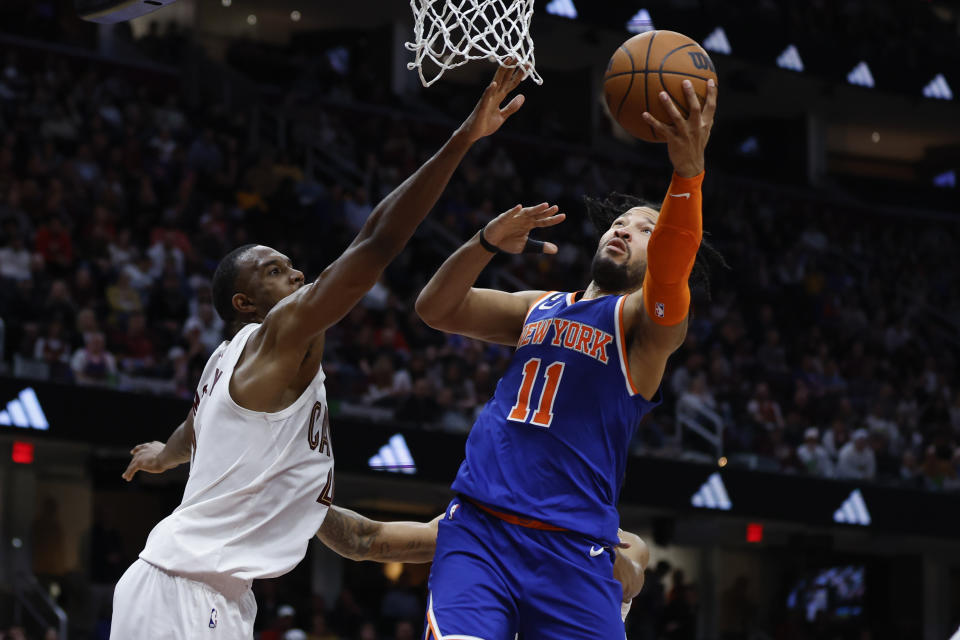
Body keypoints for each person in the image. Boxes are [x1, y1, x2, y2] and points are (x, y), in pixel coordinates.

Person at [110, 64, 529, 639]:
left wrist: (164, 455)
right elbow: (377, 241)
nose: (298, 274)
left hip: (202, 592)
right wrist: (464, 138)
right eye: (277, 271)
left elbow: (359, 540)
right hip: (185, 592)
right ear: (246, 303)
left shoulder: (230, 375)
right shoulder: (276, 338)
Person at [415, 79, 717, 638]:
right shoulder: (540, 306)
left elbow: (673, 267)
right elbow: (436, 308)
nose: (626, 227)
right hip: (481, 530)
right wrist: (483, 242)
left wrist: (687, 173)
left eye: (648, 228)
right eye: (621, 221)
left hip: (574, 551)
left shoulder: (645, 328)